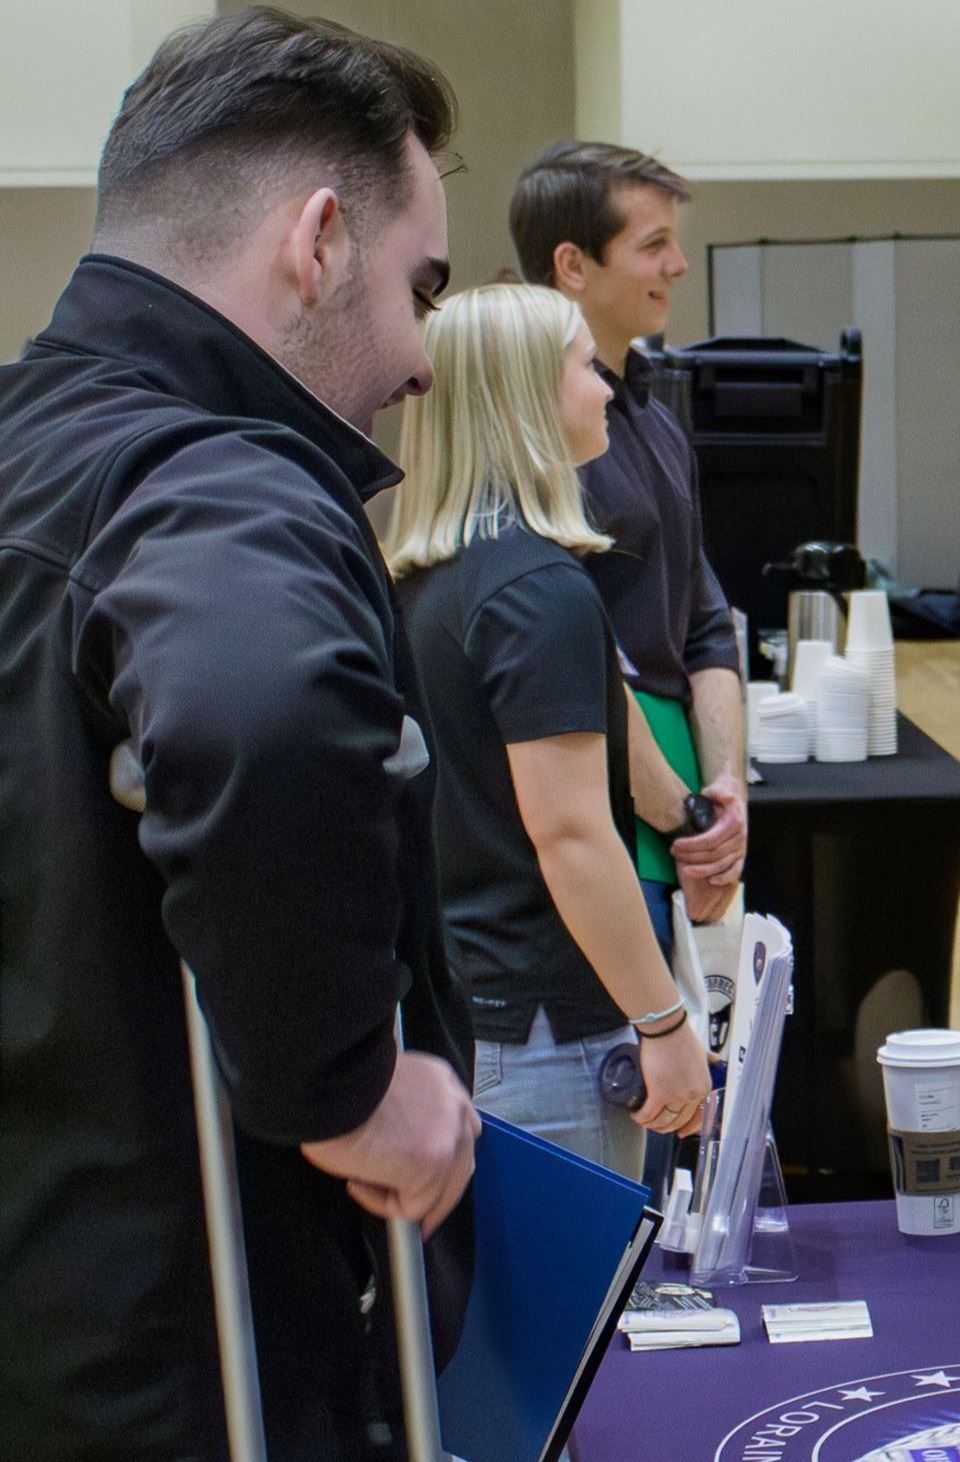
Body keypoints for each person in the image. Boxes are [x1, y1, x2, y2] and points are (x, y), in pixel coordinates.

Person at [0, 11, 481, 1457]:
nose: (421, 359)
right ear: (317, 242)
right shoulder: (216, 479)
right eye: (420, 288)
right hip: (192, 1363)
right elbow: (259, 715)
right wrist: (348, 1089)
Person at [384, 284, 715, 1173]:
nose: (606, 388)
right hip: (547, 1038)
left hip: (473, 1008)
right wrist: (664, 1022)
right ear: (524, 397)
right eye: (583, 366)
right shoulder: (538, 592)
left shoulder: (437, 579)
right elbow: (570, 834)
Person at [510, 141, 746, 945]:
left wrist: (725, 795)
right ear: (573, 265)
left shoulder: (657, 419)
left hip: (680, 802)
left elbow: (707, 627)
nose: (678, 264)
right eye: (654, 244)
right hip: (605, 809)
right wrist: (688, 821)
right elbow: (579, 663)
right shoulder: (540, 442)